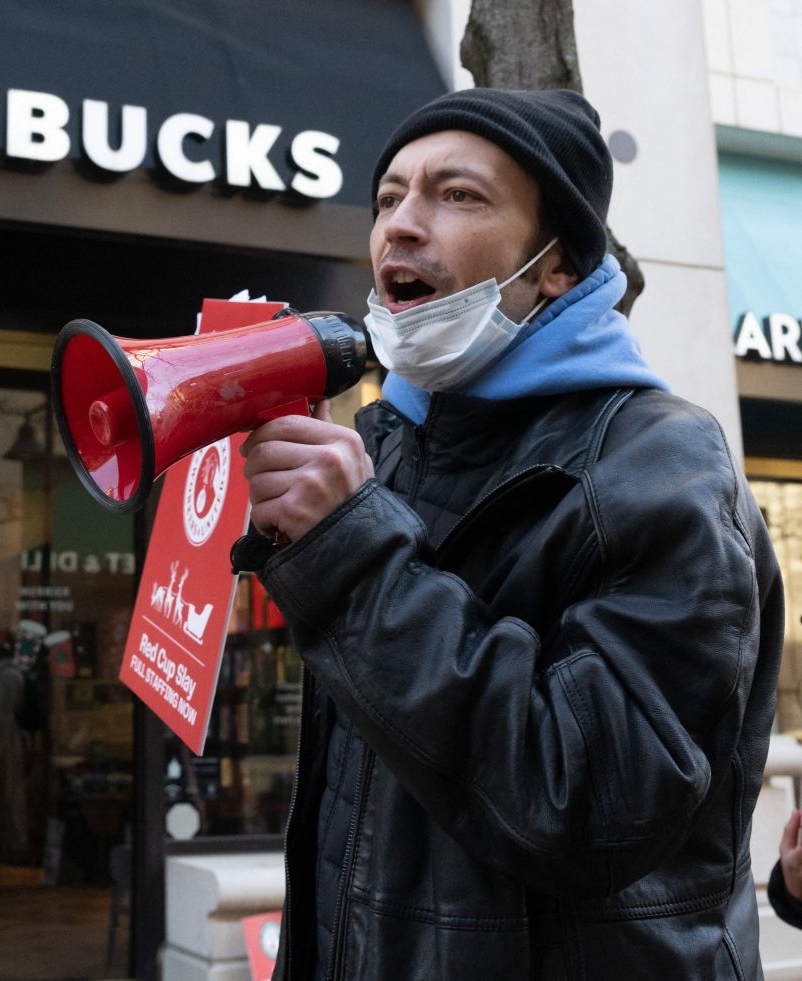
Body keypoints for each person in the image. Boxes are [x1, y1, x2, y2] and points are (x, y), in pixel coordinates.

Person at [232, 88, 785, 979]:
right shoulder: (386, 447)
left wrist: (354, 562)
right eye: (388, 198)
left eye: (458, 195)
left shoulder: (660, 464)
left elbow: (587, 800)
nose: (400, 228)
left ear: (555, 264)